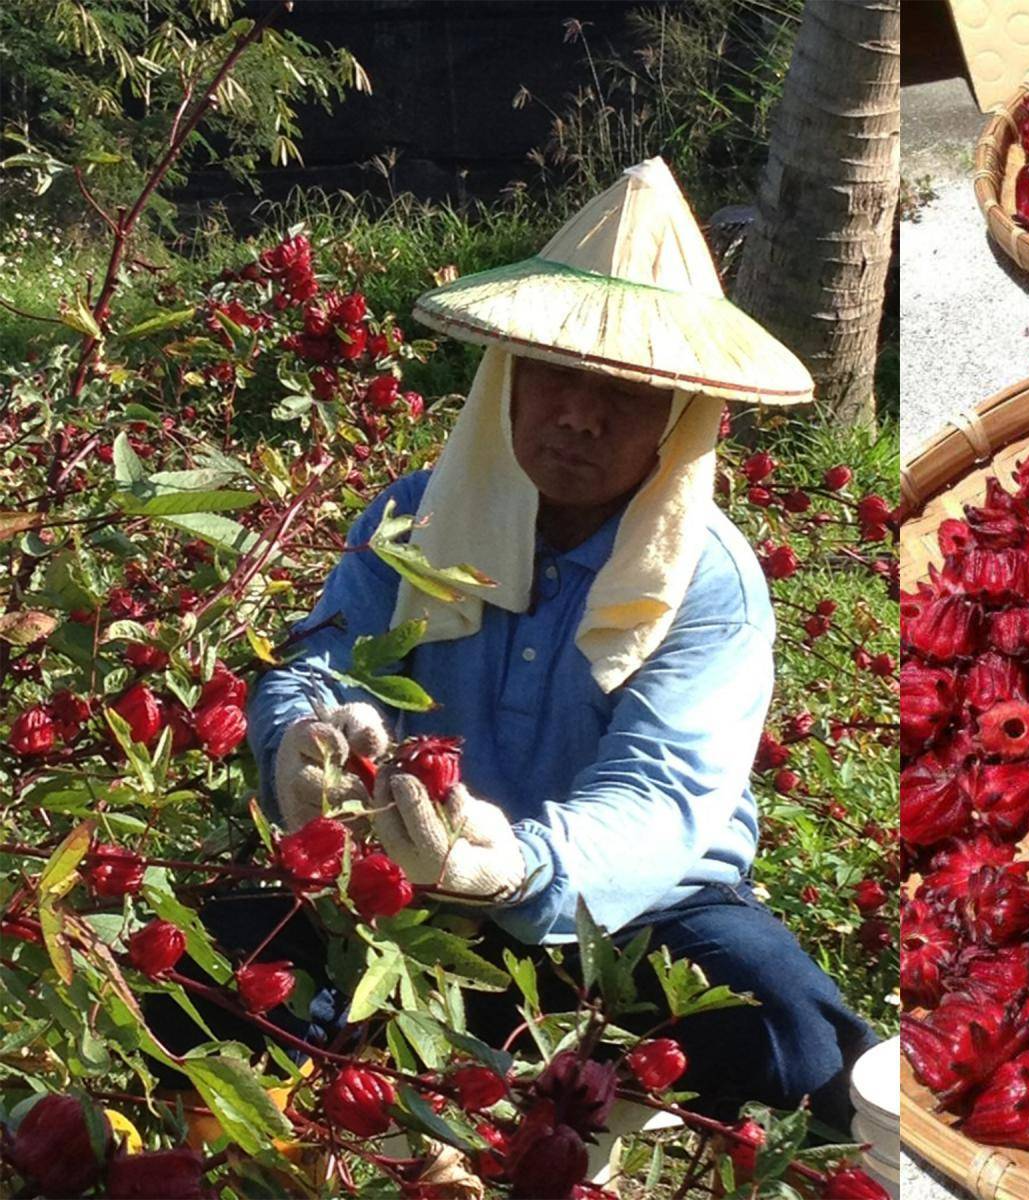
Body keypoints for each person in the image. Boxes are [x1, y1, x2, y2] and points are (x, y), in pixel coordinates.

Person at [235, 157, 876, 1132]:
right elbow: (319, 660)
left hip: (640, 911)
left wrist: (516, 866)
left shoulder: (706, 578)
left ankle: (480, 1053)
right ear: (507, 377)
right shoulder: (414, 521)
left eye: (625, 389)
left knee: (801, 1044)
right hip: (410, 882)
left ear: (680, 411)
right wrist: (299, 742)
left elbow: (662, 802)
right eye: (557, 374)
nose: (580, 413)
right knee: (219, 955)